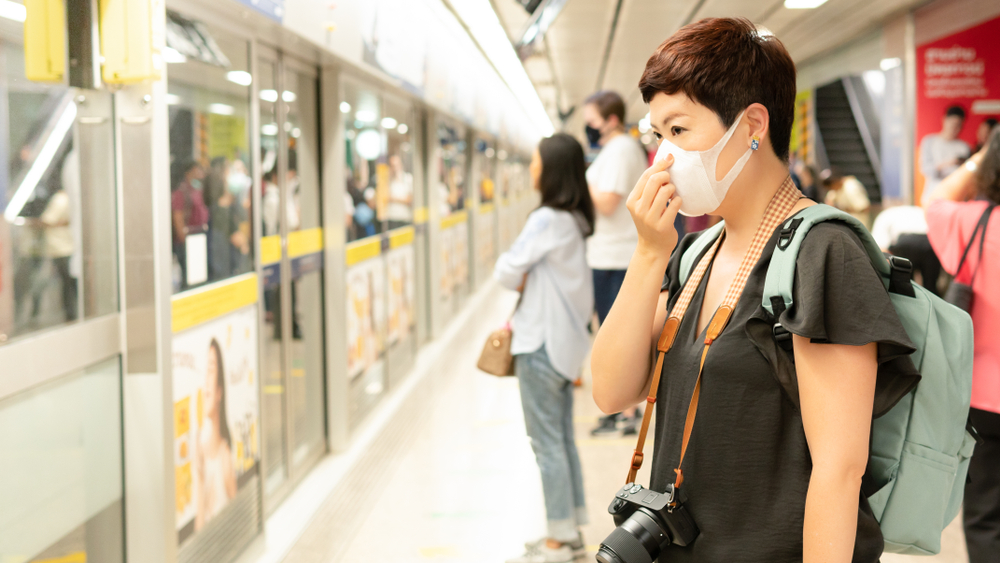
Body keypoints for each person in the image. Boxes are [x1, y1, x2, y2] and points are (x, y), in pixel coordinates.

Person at [591, 17, 917, 563]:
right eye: (657, 135)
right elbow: (610, 390)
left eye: (679, 130)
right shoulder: (697, 251)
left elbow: (839, 471)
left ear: (752, 125)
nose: (662, 159)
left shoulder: (823, 253)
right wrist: (650, 252)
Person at [495, 133, 595, 563]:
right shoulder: (574, 220)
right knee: (562, 440)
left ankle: (556, 541)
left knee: (546, 443)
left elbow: (505, 271)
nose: (532, 168)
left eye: (536, 161)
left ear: (550, 169)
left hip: (539, 344)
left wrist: (520, 269)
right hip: (566, 346)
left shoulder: (546, 221)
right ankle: (568, 528)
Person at [923, 127, 1000, 562]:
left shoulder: (974, 221)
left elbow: (934, 199)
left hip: (984, 395)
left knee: (986, 513)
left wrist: (983, 155)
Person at [582, 90, 648, 437]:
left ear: (610, 120)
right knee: (608, 333)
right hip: (606, 254)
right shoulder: (612, 150)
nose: (588, 127)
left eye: (591, 120)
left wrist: (578, 184)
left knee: (618, 335)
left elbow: (607, 203)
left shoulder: (622, 149)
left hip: (617, 256)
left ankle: (625, 410)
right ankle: (620, 407)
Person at [195, 338, 237, 530]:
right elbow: (199, 524)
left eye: (210, 370)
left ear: (220, 390)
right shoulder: (201, 450)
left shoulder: (224, 456)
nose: (205, 385)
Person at [920, 105, 971, 204]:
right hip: (933, 195)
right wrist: (950, 163)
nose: (955, 128)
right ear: (944, 120)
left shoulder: (965, 147)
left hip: (956, 197)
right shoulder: (930, 141)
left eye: (959, 125)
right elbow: (926, 169)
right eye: (953, 124)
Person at [171, 160, 209, 289]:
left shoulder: (198, 189)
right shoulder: (181, 192)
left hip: (198, 239)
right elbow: (178, 217)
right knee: (189, 280)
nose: (201, 174)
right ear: (189, 172)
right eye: (197, 170)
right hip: (187, 242)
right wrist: (184, 241)